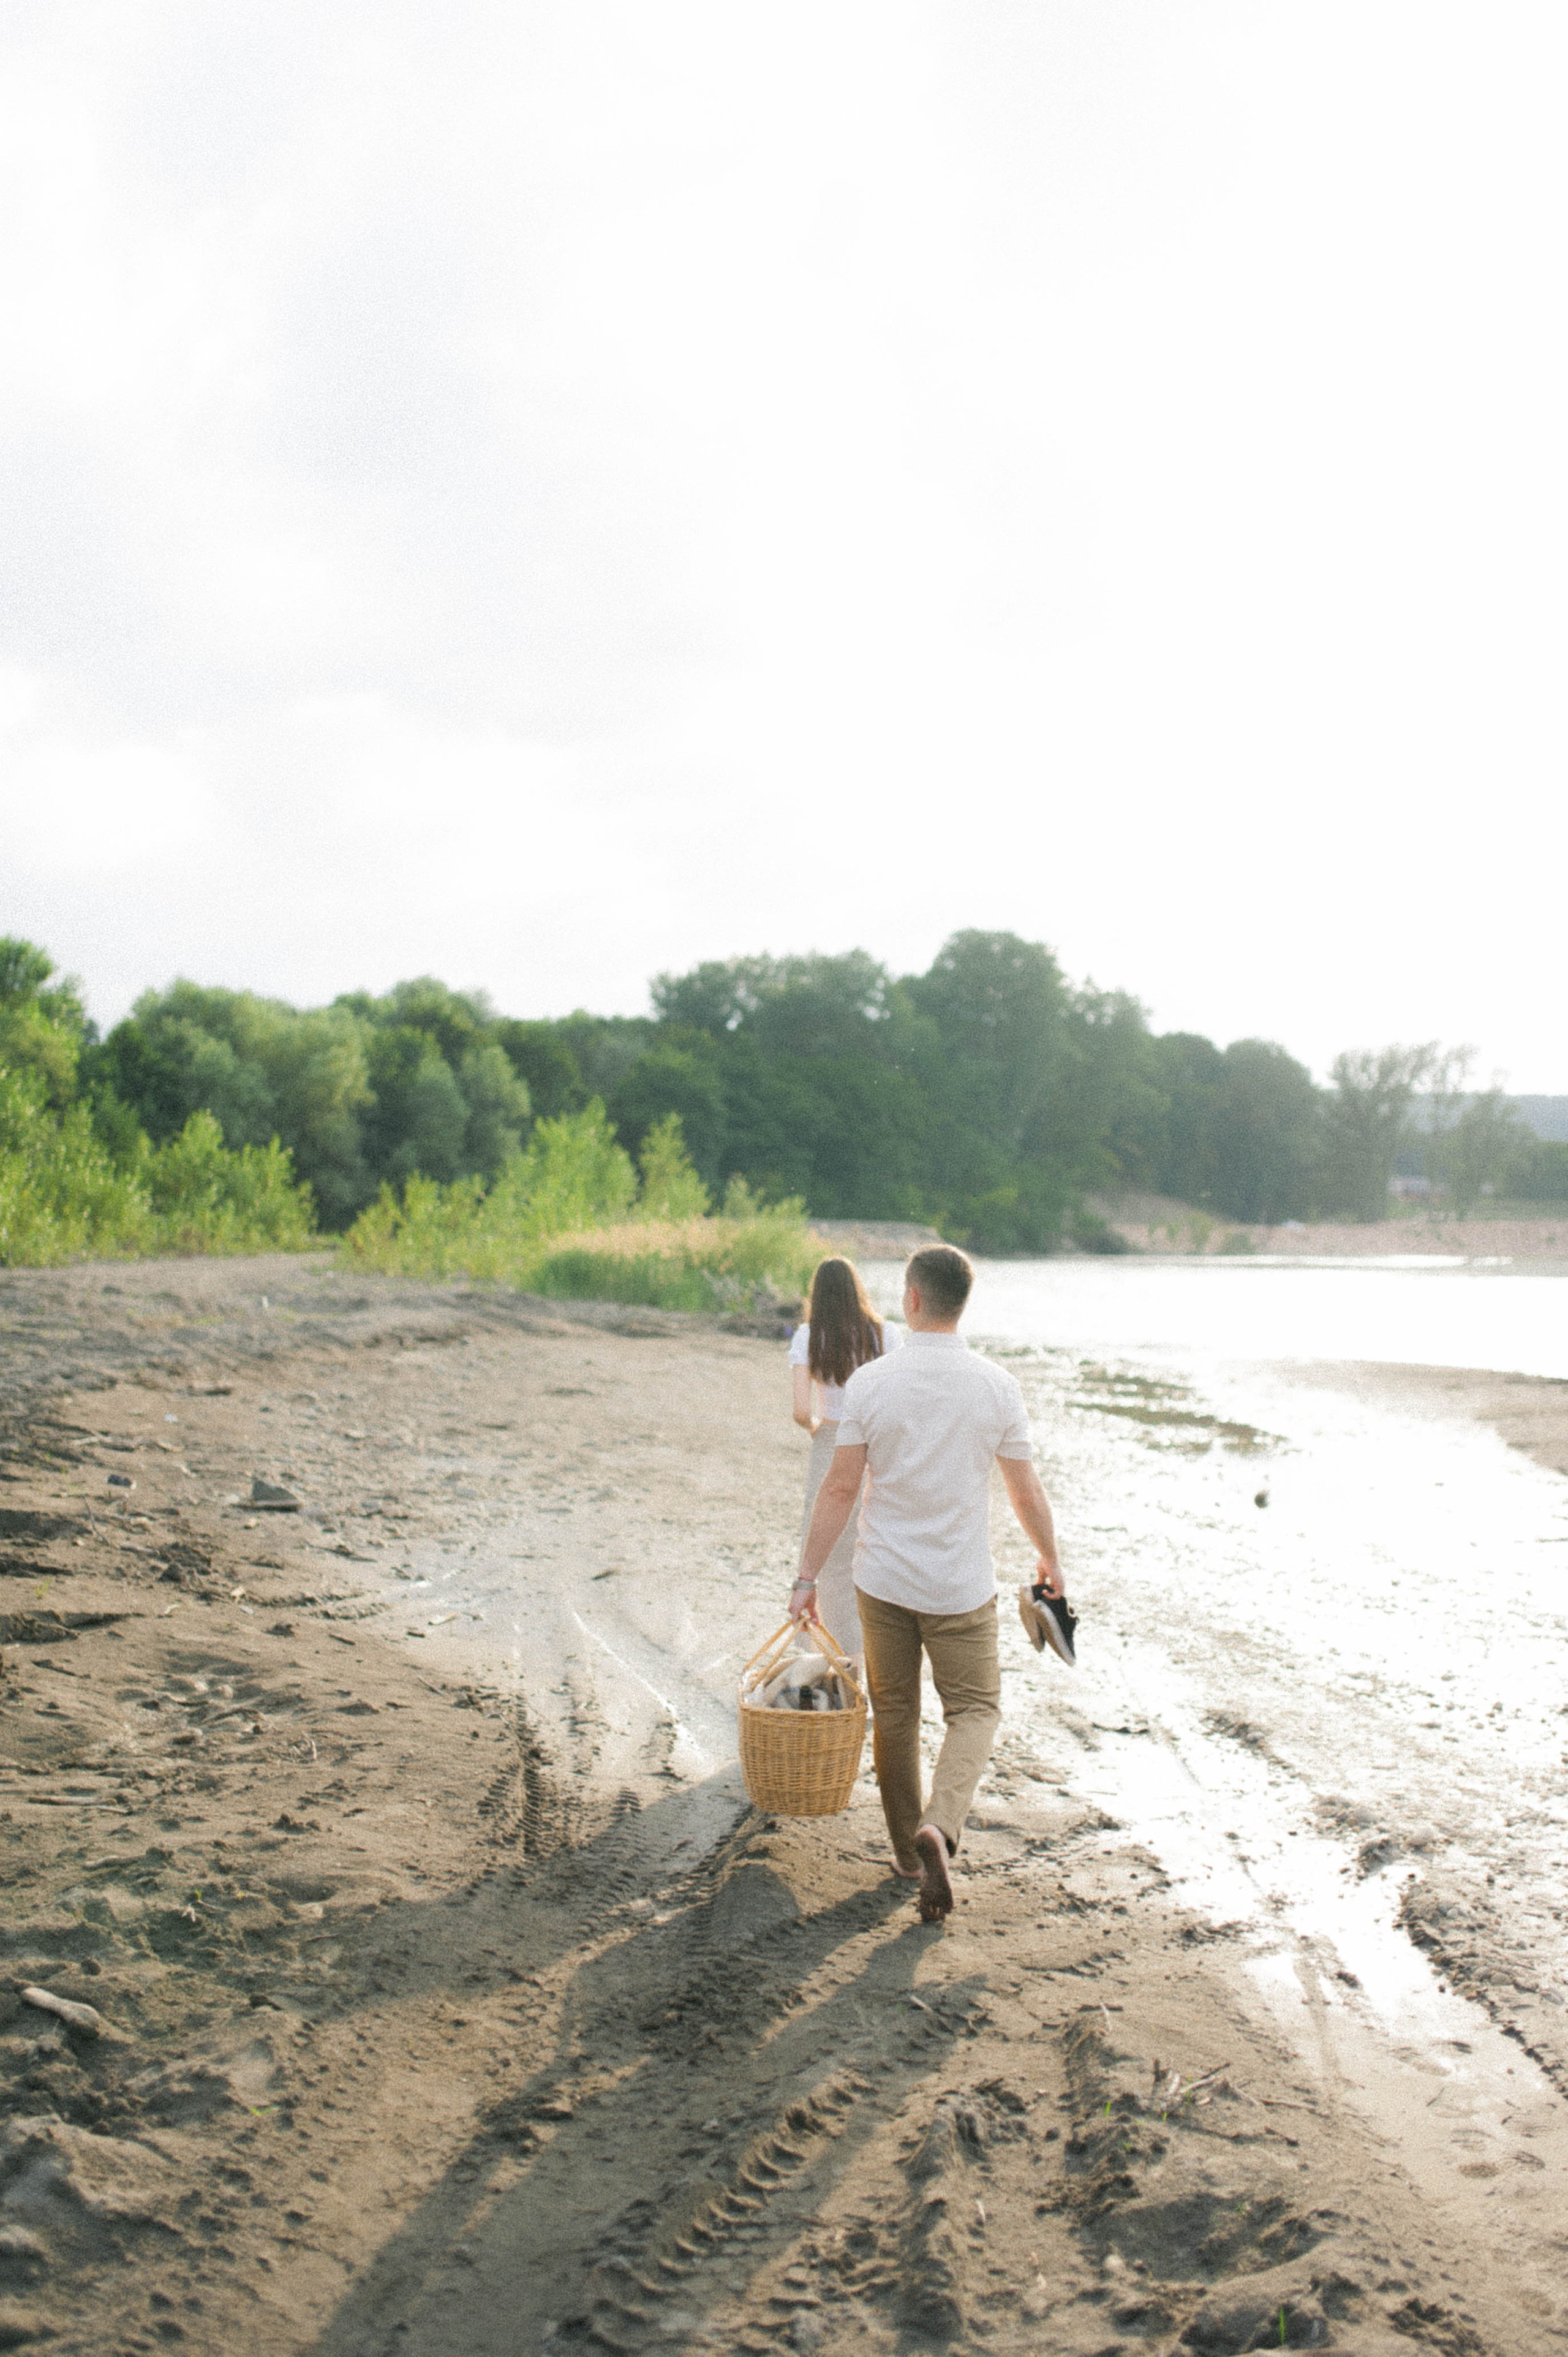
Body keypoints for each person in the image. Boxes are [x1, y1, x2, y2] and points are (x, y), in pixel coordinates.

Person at [790, 1243, 1064, 1924]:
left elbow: (840, 1488)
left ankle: (908, 1859)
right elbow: (1024, 1490)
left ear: (911, 1299)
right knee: (975, 1709)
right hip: (961, 1587)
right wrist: (1050, 1560)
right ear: (962, 1303)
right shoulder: (997, 1385)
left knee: (895, 1715)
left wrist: (806, 1576)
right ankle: (940, 1825)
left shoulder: (871, 1384)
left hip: (883, 1581)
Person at [788, 1256, 900, 1662]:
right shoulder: (885, 1334)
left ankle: (820, 1661)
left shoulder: (808, 1335)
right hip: (877, 1445)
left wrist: (816, 1426)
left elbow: (801, 1410)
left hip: (832, 1440)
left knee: (823, 1555)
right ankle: (864, 1663)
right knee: (870, 1554)